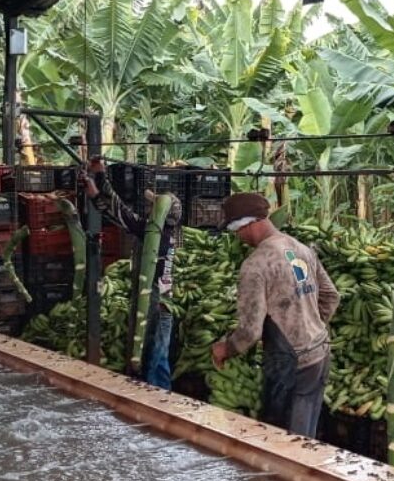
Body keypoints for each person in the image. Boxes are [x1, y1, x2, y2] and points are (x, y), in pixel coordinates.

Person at [211, 193, 340, 437]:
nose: (237, 237)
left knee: (282, 441)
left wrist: (225, 349)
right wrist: (310, 324)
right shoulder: (301, 249)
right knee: (304, 435)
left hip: (290, 364)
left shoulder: (256, 265)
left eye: (235, 230)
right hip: (319, 355)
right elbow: (331, 296)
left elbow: (250, 331)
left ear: (247, 224)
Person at [83, 159, 181, 390]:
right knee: (157, 354)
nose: (147, 210)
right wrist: (96, 191)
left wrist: (101, 179)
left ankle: (155, 396)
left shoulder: (154, 234)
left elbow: (120, 212)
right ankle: (156, 392)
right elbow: (118, 212)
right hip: (163, 301)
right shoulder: (168, 233)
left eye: (152, 207)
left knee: (153, 355)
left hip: (156, 303)